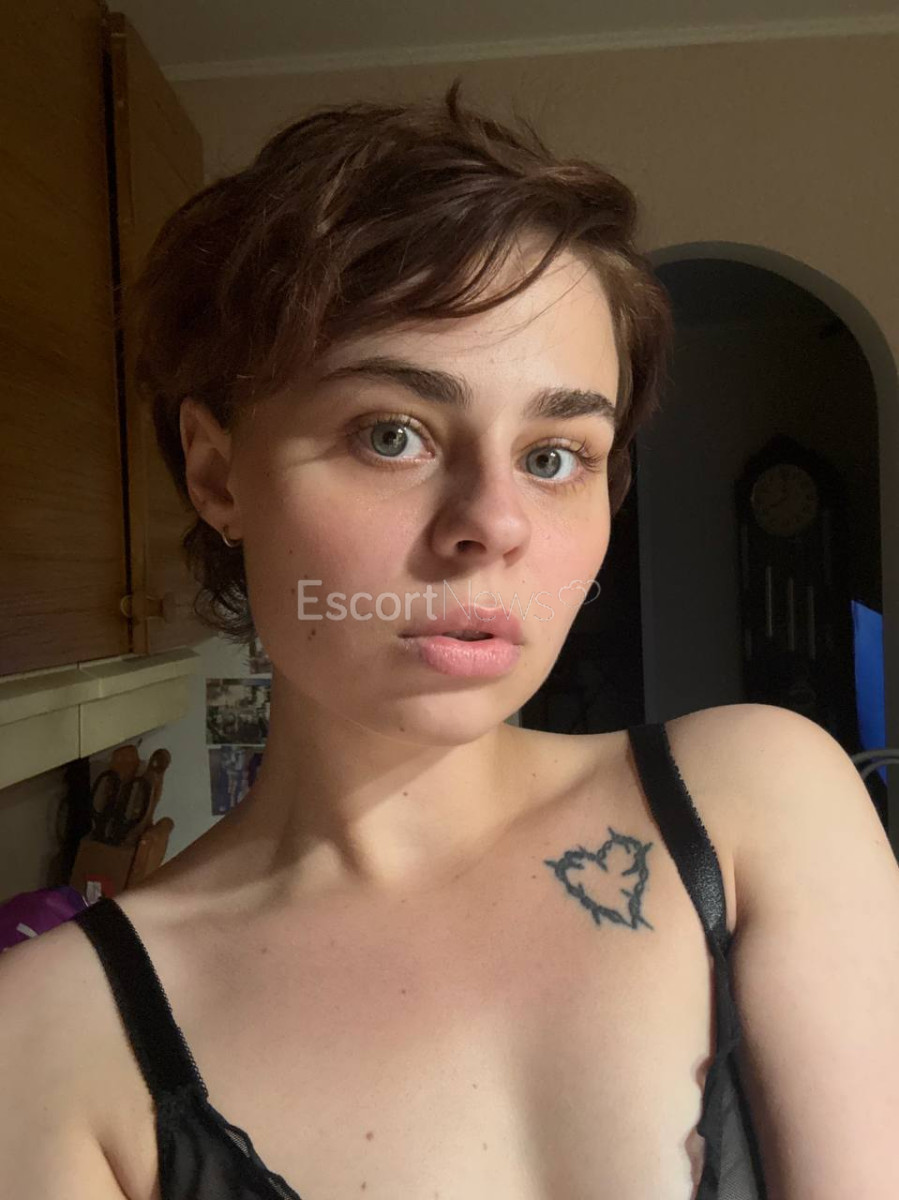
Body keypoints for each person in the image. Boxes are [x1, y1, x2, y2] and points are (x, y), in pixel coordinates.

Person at [1, 79, 897, 1200]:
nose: (494, 523)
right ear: (218, 472)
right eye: (393, 434)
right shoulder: (51, 1044)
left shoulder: (758, 803)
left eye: (554, 455)